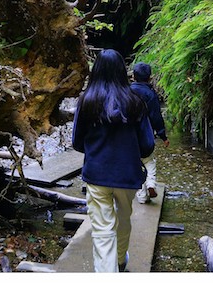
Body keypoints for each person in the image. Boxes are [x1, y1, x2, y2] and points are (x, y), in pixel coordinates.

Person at [72, 49, 155, 273]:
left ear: (95, 71)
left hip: (97, 174)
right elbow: (147, 145)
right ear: (122, 72)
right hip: (127, 175)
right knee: (124, 218)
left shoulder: (86, 101)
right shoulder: (135, 101)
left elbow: (77, 143)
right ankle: (119, 261)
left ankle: (110, 269)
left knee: (102, 229)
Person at [131, 62, 169, 203]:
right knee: (149, 163)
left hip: (128, 140)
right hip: (145, 138)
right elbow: (156, 117)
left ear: (133, 77)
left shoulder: (126, 91)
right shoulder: (150, 94)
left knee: (136, 166)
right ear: (150, 78)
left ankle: (141, 196)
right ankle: (151, 183)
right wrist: (163, 136)